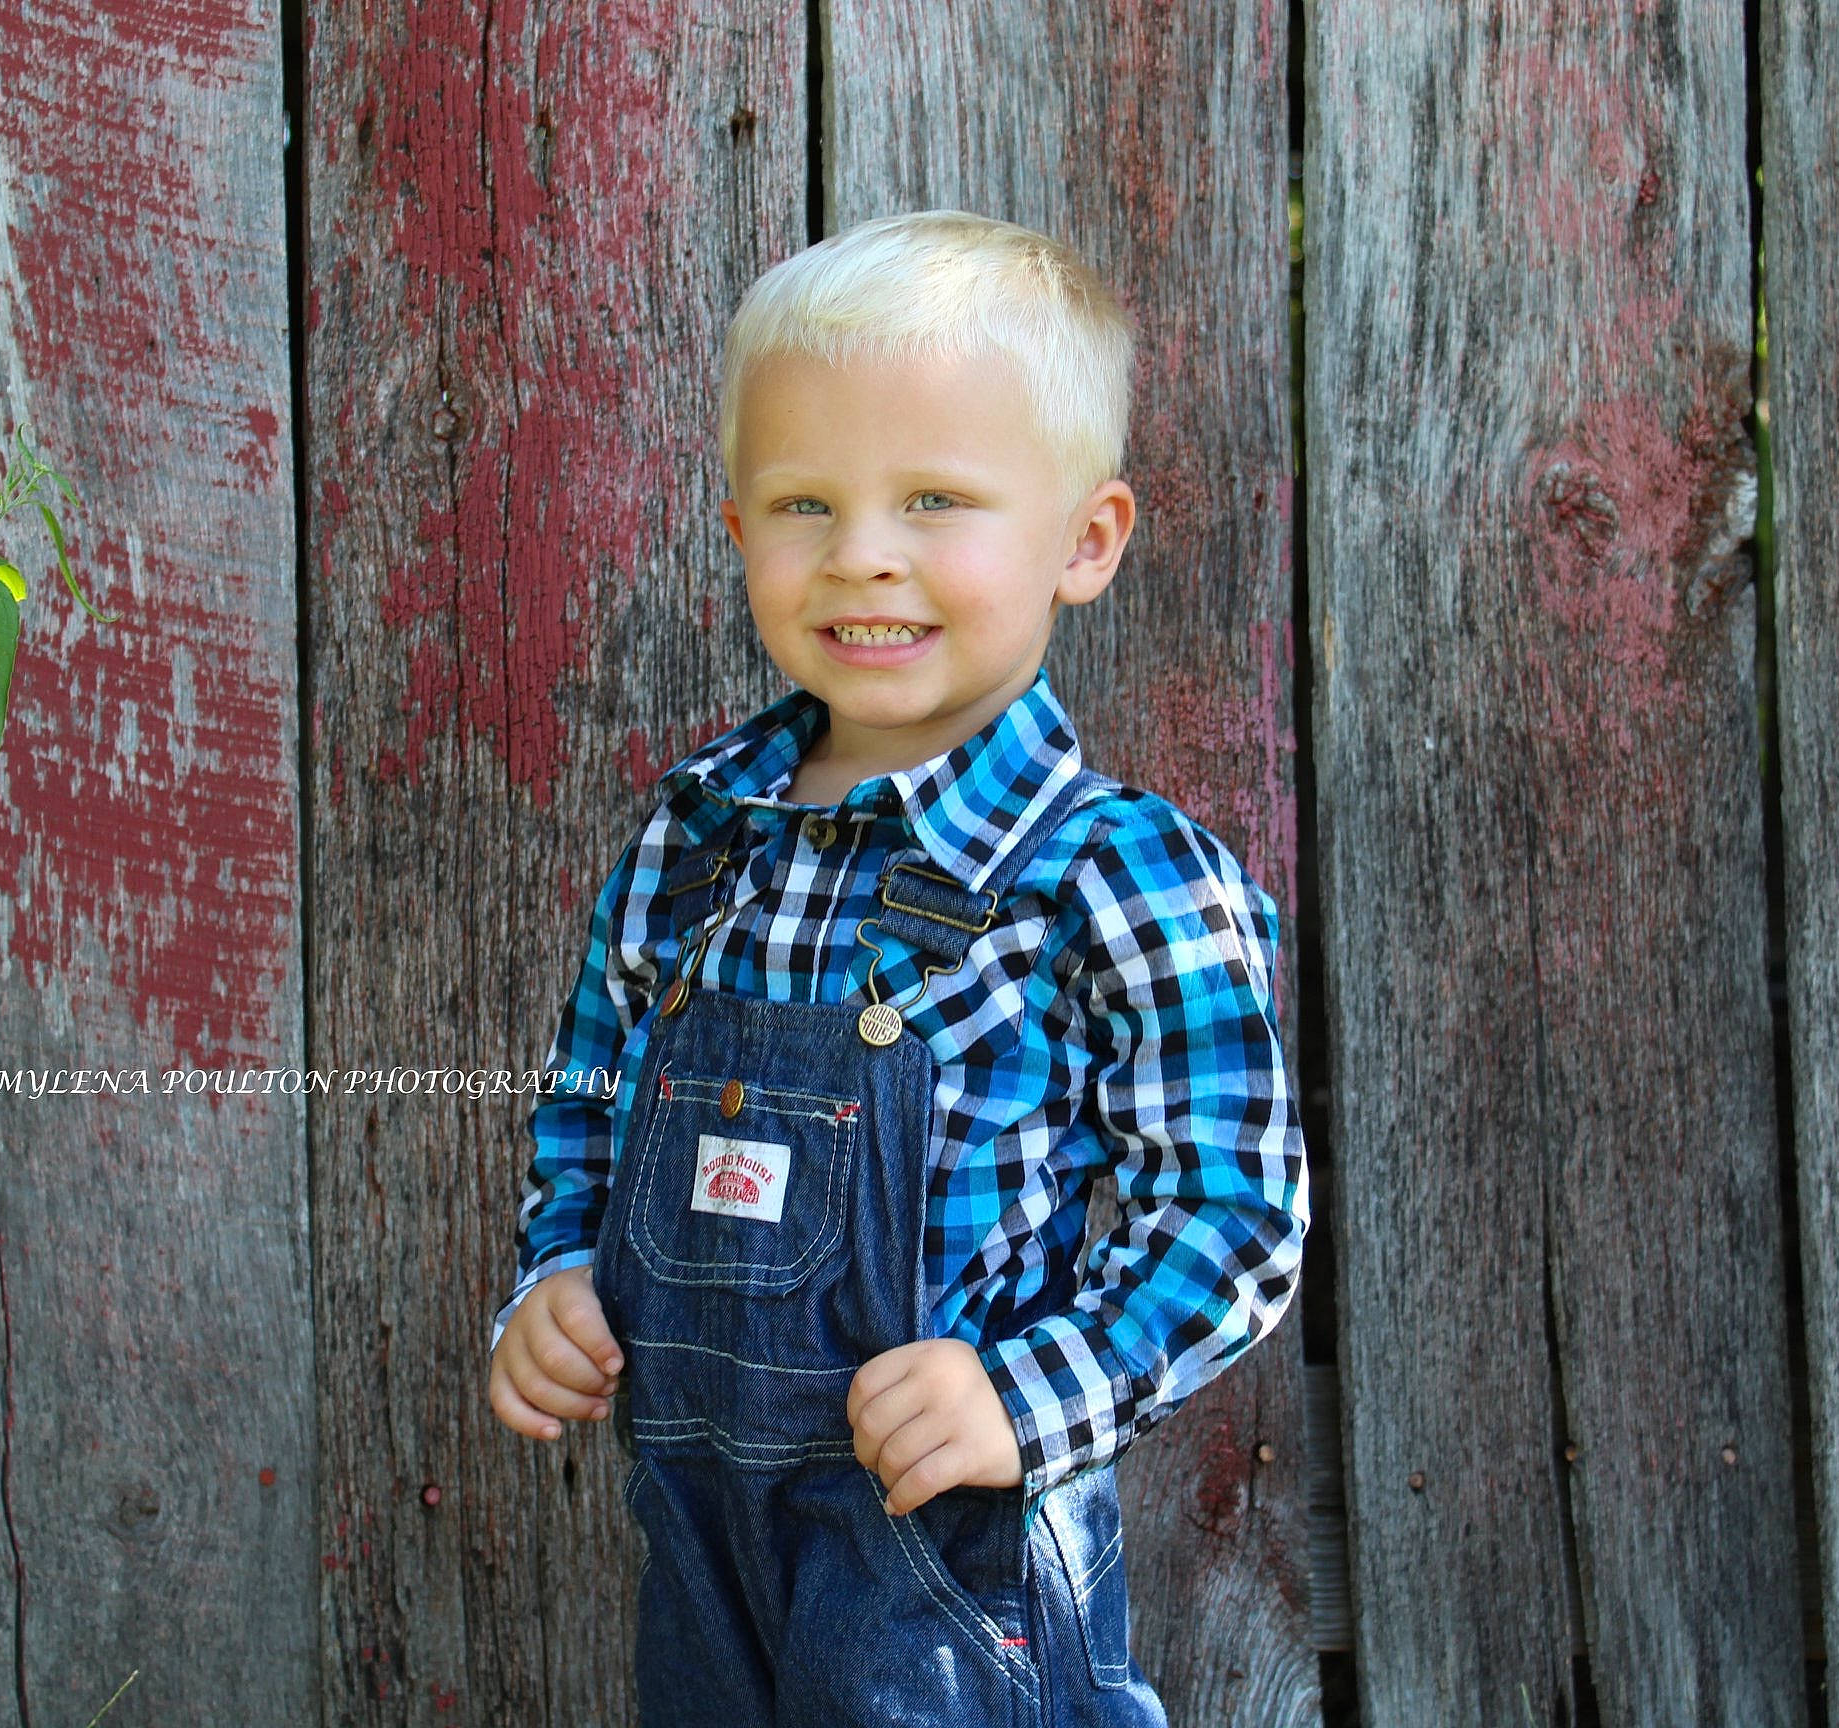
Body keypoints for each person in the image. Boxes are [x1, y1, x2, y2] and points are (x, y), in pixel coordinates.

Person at [488, 209, 1309, 1725]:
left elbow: (1236, 1211)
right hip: (702, 1525)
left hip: (948, 1562)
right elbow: (593, 1098)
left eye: (935, 499)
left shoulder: (1112, 872)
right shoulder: (694, 843)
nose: (863, 553)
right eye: (805, 503)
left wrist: (1028, 1393)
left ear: (1086, 539)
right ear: (736, 530)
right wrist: (554, 1275)